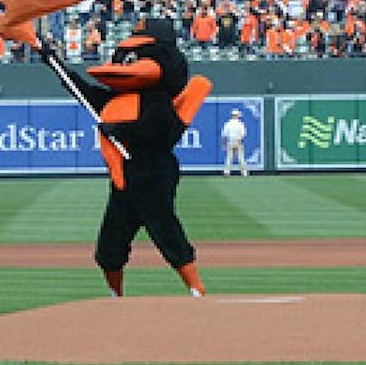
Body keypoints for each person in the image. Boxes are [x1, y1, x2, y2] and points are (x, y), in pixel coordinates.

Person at [41, 18, 211, 298]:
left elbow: (163, 134)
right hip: (123, 179)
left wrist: (120, 130)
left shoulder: (157, 99)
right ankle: (115, 294)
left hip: (152, 170)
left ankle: (196, 287)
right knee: (110, 245)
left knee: (164, 229)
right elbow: (82, 91)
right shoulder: (112, 99)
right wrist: (55, 63)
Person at [220, 108, 250, 177]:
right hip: (238, 141)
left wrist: (223, 143)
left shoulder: (228, 123)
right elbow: (243, 134)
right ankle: (244, 173)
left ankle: (227, 172)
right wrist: (240, 140)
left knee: (229, 157)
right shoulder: (240, 124)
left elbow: (224, 134)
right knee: (241, 158)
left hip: (230, 141)